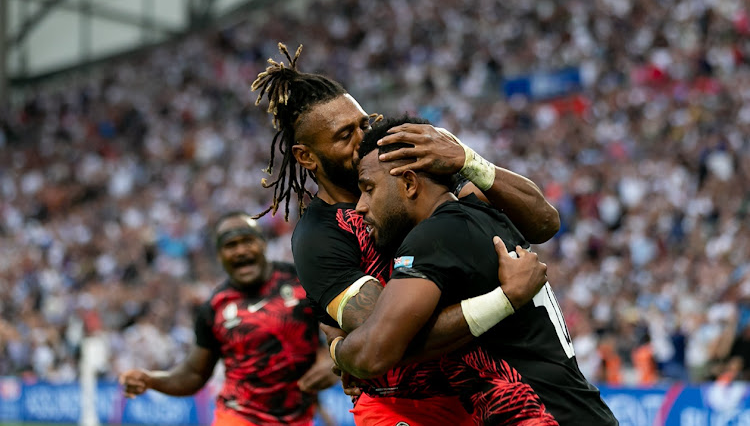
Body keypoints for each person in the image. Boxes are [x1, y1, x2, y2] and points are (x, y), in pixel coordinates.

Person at [252, 43, 559, 424]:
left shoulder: (413, 167)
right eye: (344, 135)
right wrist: (345, 352)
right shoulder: (319, 236)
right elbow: (385, 342)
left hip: (481, 393)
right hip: (400, 408)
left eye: (364, 123)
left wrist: (467, 159)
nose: (363, 138)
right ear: (306, 157)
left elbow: (544, 222)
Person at [329, 115, 618, 425]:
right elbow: (415, 344)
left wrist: (336, 349)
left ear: (410, 183)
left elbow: (374, 352)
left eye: (369, 188)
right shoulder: (485, 212)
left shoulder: (435, 236)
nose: (360, 205)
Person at [119, 211, 339, 426]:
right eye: (231, 245)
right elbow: (194, 374)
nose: (241, 251)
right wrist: (151, 380)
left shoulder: (301, 282)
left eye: (247, 241)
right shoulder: (214, 308)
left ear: (263, 244)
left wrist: (333, 360)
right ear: (219, 255)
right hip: (237, 415)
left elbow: (340, 329)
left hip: (297, 418)